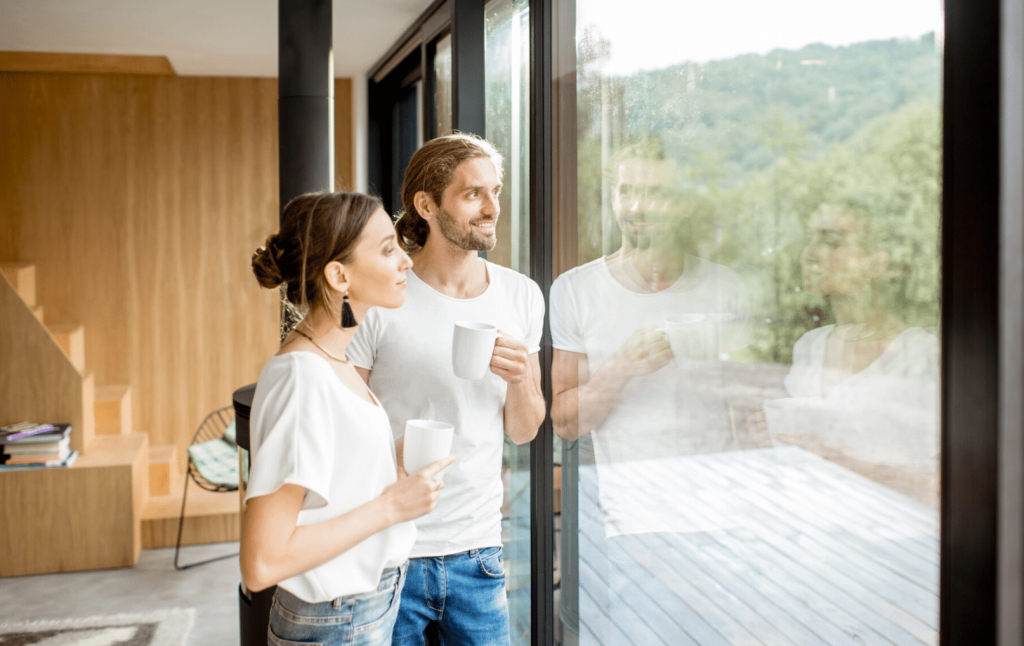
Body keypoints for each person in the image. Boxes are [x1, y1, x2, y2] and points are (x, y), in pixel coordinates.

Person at [347, 134, 546, 646]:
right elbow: (344, 425)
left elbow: (524, 431)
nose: (492, 208)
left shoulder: (520, 296)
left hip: (479, 551)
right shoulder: (384, 297)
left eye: (496, 192)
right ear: (427, 205)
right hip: (391, 549)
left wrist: (522, 377)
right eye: (473, 193)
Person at [241, 191, 455, 646]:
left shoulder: (333, 359)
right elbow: (263, 561)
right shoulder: (301, 376)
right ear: (339, 275)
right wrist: (393, 505)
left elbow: (331, 487)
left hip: (361, 610)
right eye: (386, 249)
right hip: (335, 622)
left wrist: (388, 464)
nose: (407, 262)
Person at [766, 201, 939, 505]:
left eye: (830, 241)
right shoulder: (809, 346)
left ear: (877, 263)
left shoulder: (922, 355)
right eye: (811, 240)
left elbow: (946, 486)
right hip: (812, 526)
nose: (808, 254)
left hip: (897, 536)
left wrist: (837, 463)